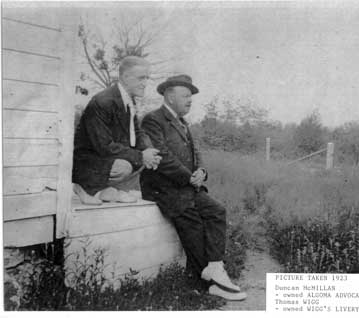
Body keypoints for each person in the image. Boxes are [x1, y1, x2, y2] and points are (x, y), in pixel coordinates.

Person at [140, 75, 247, 301]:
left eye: (191, 97)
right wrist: (189, 178)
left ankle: (215, 268)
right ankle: (204, 282)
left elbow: (196, 155)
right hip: (164, 189)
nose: (190, 101)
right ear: (169, 96)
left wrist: (202, 172)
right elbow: (162, 157)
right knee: (194, 224)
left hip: (188, 187)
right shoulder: (153, 120)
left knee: (216, 211)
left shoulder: (183, 123)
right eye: (186, 96)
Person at [72, 56, 161, 204]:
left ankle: (107, 191)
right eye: (141, 78)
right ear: (125, 77)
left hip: (103, 158)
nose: (145, 84)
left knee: (146, 159)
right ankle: (84, 187)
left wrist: (149, 150)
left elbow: (137, 132)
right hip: (86, 161)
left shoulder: (127, 99)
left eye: (146, 78)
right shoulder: (103, 101)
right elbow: (104, 145)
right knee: (124, 166)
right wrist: (141, 156)